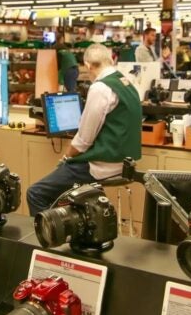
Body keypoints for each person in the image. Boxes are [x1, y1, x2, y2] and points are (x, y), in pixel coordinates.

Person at [26, 44, 142, 215]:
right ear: (110, 60)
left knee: (36, 193)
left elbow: (84, 140)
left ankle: (47, 236)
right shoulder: (126, 82)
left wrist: (66, 157)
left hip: (101, 165)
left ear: (88, 65)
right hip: (124, 164)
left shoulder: (101, 88)